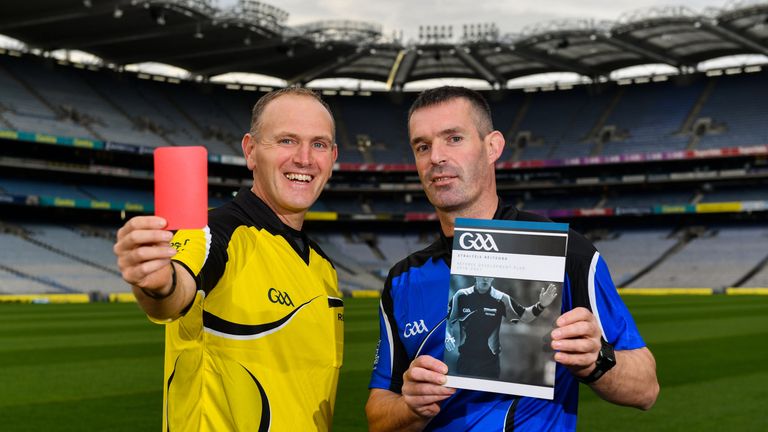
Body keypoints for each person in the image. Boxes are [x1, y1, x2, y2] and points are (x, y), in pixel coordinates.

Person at [366, 86, 659, 431]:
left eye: (454, 138)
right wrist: (410, 406)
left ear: (492, 147)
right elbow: (378, 416)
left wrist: (597, 360)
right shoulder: (404, 279)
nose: (436, 157)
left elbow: (646, 389)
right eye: (423, 146)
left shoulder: (565, 252)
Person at [114, 87, 344, 432]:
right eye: (286, 141)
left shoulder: (323, 267)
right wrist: (158, 282)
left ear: (333, 156)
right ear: (251, 152)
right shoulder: (211, 232)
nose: (304, 158)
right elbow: (174, 291)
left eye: (319, 144)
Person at [445, 277, 558, 379]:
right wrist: (447, 336)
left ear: (492, 278)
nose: (485, 279)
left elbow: (525, 316)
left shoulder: (501, 298)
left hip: (490, 364)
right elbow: (447, 322)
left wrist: (541, 305)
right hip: (466, 360)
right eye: (482, 276)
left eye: (488, 276)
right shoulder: (461, 296)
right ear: (475, 275)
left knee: (489, 399)